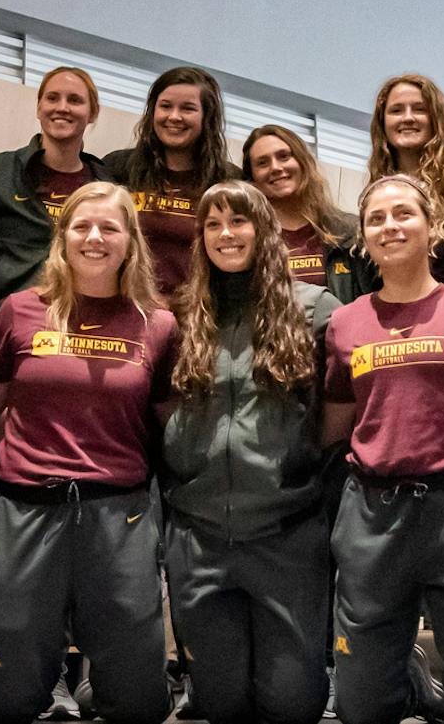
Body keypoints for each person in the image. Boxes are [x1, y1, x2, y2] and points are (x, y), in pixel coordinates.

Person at [0, 181, 177, 724]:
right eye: (82, 226)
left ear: (130, 241)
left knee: (138, 701)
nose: (94, 237)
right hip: (23, 510)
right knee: (6, 696)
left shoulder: (157, 325)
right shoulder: (19, 311)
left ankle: (90, 688)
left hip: (119, 513)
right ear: (61, 237)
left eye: (109, 227)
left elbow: (165, 430)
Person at [322, 173, 444, 724]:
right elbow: (335, 423)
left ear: (433, 227)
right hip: (371, 516)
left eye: (404, 213)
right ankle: (409, 678)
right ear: (363, 238)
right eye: (377, 218)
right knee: (360, 705)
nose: (391, 226)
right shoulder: (344, 323)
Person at [161, 181, 339, 724]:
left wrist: (297, 470)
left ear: (264, 229)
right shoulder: (180, 315)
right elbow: (158, 412)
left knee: (292, 704)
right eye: (212, 224)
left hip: (286, 535)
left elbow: (339, 415)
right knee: (221, 705)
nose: (225, 234)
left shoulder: (317, 308)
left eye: (238, 221)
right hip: (201, 536)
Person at [0, 66, 105, 306]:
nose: (62, 107)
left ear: (92, 113)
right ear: (39, 108)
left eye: (75, 100)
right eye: (52, 98)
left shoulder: (106, 186)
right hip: (2, 316)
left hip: (78, 323)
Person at [102, 66, 234, 299]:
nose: (174, 116)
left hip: (200, 315)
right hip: (125, 309)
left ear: (207, 117)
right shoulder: (119, 169)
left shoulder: (228, 181)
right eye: (165, 106)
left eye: (188, 108)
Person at [369, 73, 444, 287]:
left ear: (436, 118)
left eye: (419, 109)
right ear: (383, 122)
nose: (407, 118)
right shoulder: (378, 196)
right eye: (396, 110)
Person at [242, 123, 364, 299]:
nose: (275, 167)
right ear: (251, 178)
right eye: (262, 163)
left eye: (284, 157)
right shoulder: (249, 240)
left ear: (303, 161)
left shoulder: (350, 232)